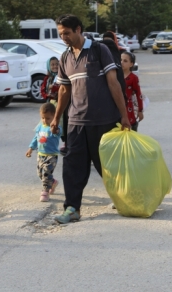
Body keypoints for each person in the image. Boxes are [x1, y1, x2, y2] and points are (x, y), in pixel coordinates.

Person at [51, 14, 131, 224]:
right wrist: (57, 118)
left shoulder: (99, 50)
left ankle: (128, 199)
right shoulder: (65, 57)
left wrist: (124, 116)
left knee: (110, 166)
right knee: (72, 167)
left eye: (67, 33)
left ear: (78, 29)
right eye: (61, 34)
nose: (64, 37)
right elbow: (63, 91)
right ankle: (72, 208)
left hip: (103, 120)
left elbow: (114, 84)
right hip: (76, 122)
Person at [26, 103, 62, 202]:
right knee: (40, 173)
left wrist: (55, 130)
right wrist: (30, 148)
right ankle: (52, 182)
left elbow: (58, 134)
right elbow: (35, 138)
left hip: (51, 155)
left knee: (46, 173)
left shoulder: (55, 127)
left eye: (48, 118)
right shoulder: (40, 127)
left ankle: (45, 192)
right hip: (40, 154)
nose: (45, 121)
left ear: (54, 116)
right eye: (43, 118)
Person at [121, 51, 144, 131]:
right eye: (121, 60)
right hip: (116, 108)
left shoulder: (133, 78)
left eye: (125, 61)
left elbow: (139, 95)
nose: (122, 62)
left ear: (131, 64)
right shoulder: (115, 76)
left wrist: (140, 110)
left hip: (128, 109)